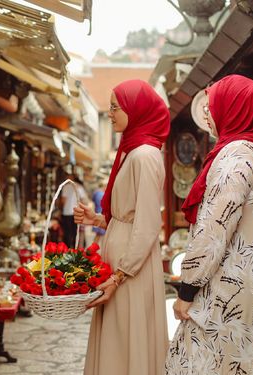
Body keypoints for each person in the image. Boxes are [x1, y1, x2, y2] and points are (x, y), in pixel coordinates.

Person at [165, 75, 253, 374]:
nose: (208, 113)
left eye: (213, 105)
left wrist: (187, 290)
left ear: (234, 107)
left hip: (231, 293)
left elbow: (213, 231)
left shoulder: (236, 155)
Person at [74, 79, 170, 375]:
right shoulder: (132, 151)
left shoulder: (144, 155)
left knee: (127, 337)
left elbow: (148, 223)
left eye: (116, 107)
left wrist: (119, 275)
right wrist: (98, 219)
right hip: (123, 261)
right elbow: (130, 215)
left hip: (131, 267)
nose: (112, 113)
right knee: (118, 337)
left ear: (135, 109)